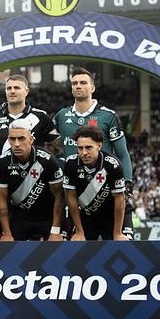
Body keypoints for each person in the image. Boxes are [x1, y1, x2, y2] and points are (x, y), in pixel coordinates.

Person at [52, 67, 135, 239]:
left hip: (106, 190)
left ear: (92, 88)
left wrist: (127, 184)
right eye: (74, 83)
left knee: (120, 247)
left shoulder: (108, 116)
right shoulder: (62, 115)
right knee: (77, 251)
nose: (78, 86)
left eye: (83, 83)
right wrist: (62, 154)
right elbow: (48, 138)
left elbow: (123, 154)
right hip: (77, 192)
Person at [0, 119, 65, 241]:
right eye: (12, 139)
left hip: (48, 215)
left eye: (21, 138)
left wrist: (55, 230)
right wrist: (7, 233)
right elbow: (1, 199)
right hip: (20, 215)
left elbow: (60, 196)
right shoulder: (2, 162)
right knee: (8, 250)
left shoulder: (47, 160)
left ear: (31, 139)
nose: (16, 144)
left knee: (58, 248)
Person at [63, 126, 129, 241]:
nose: (84, 153)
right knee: (78, 251)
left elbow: (119, 199)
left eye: (88, 147)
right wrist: (79, 232)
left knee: (121, 248)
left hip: (113, 217)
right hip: (87, 217)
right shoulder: (71, 164)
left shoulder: (113, 166)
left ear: (99, 145)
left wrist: (117, 233)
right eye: (80, 148)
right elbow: (71, 198)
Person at [0, 74, 58, 155]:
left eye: (16, 88)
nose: (12, 91)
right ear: (5, 92)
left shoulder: (41, 116)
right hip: (5, 167)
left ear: (26, 91)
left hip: (35, 167)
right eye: (9, 88)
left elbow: (61, 147)